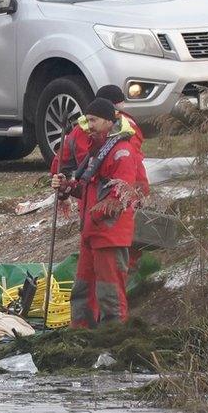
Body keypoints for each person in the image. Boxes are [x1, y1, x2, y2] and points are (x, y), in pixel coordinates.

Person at [52, 98, 142, 328]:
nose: (88, 125)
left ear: (108, 120)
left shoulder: (122, 152)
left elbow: (122, 195)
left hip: (109, 235)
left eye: (93, 120)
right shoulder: (99, 150)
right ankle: (81, 336)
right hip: (92, 234)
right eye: (87, 120)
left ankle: (113, 341)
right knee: (82, 290)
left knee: (109, 293)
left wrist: (94, 214)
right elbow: (90, 190)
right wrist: (67, 187)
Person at [50, 85, 150, 271]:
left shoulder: (82, 130)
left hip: (95, 204)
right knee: (120, 261)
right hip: (108, 204)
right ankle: (130, 284)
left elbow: (59, 164)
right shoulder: (127, 129)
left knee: (102, 270)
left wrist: (64, 193)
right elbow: (136, 171)